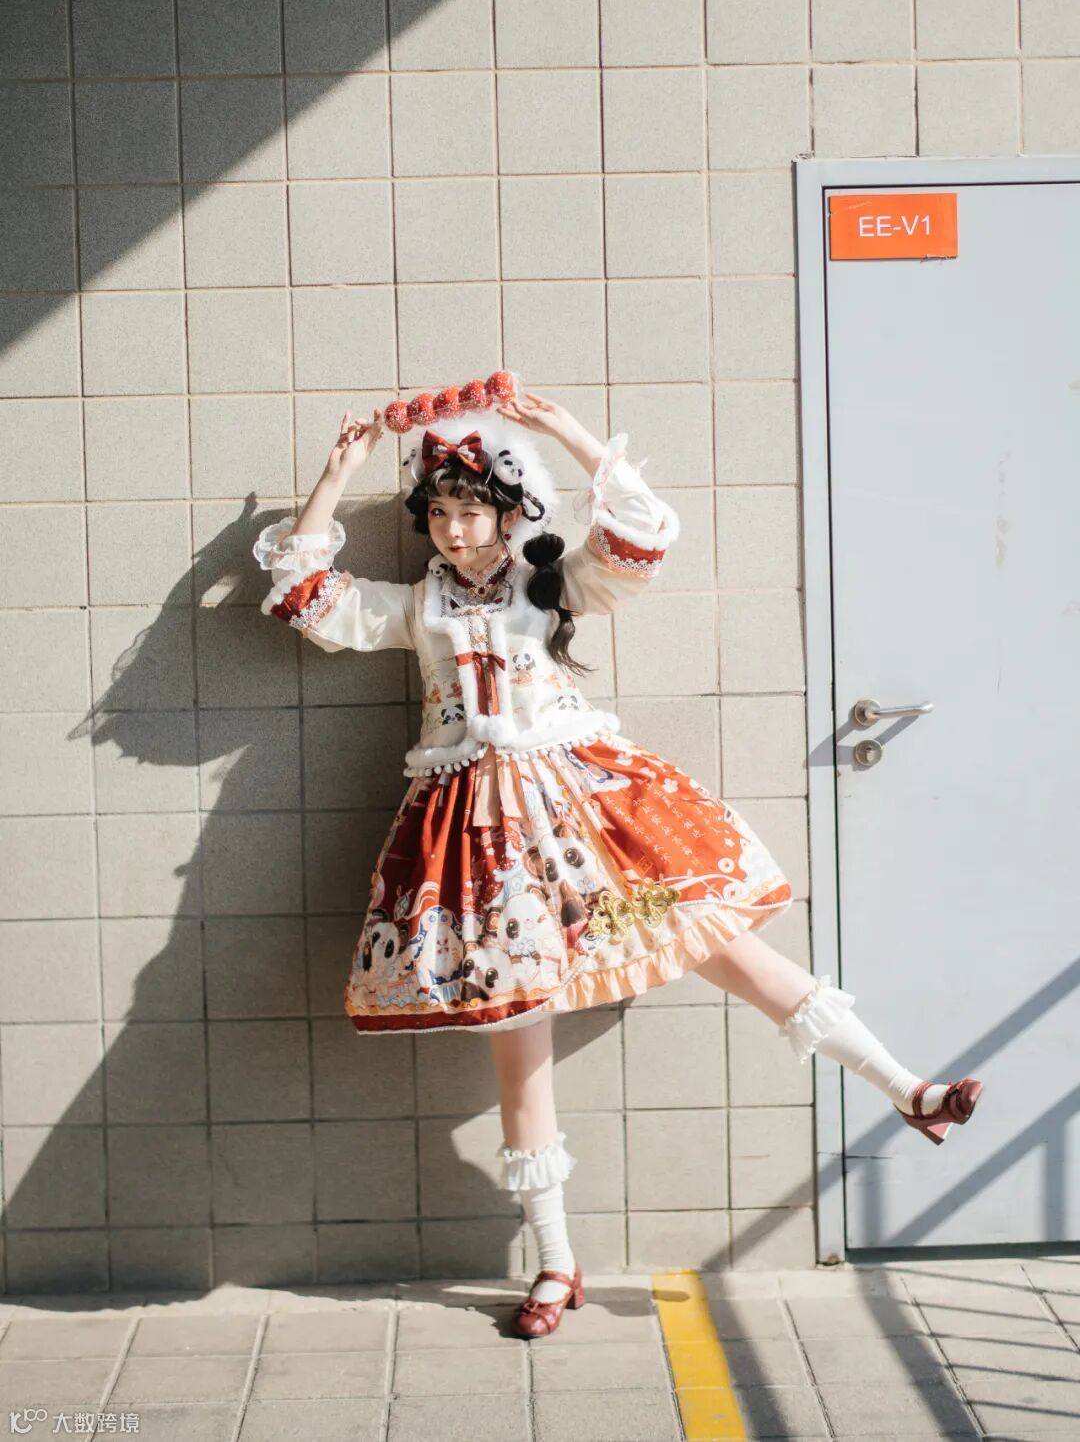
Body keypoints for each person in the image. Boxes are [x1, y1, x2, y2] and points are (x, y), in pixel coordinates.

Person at [253, 380, 983, 1338]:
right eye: (438, 513)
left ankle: (910, 1090)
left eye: (470, 511)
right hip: (479, 841)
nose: (453, 530)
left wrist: (560, 428)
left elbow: (640, 535)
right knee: (522, 1048)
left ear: (508, 512)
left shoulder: (548, 581)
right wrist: (336, 474)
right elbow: (309, 599)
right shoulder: (418, 604)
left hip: (589, 817)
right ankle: (556, 1265)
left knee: (727, 948)